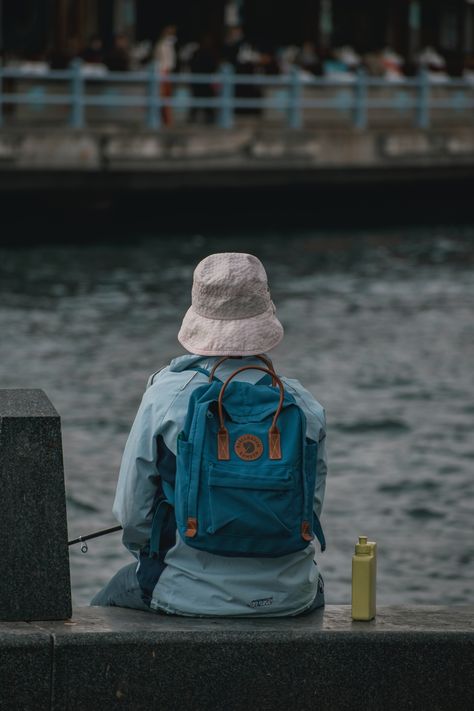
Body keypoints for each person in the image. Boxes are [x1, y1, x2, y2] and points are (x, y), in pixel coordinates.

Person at [91, 253, 328, 616]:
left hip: (183, 591)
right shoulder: (301, 404)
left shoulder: (167, 397)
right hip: (291, 595)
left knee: (103, 604)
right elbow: (309, 511)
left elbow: (132, 514)